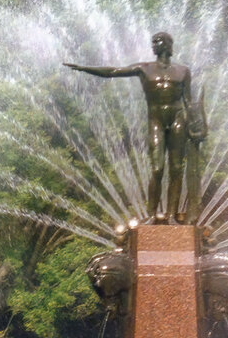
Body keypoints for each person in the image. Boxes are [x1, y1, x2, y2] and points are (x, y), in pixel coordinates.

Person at [64, 32, 206, 224]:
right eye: (153, 42)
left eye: (157, 41)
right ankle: (151, 215)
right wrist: (84, 68)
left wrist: (199, 125)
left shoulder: (182, 71)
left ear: (167, 45)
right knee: (157, 168)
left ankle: (172, 216)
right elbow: (113, 72)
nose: (153, 45)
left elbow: (189, 102)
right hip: (156, 119)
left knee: (176, 168)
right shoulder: (144, 68)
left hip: (178, 119)